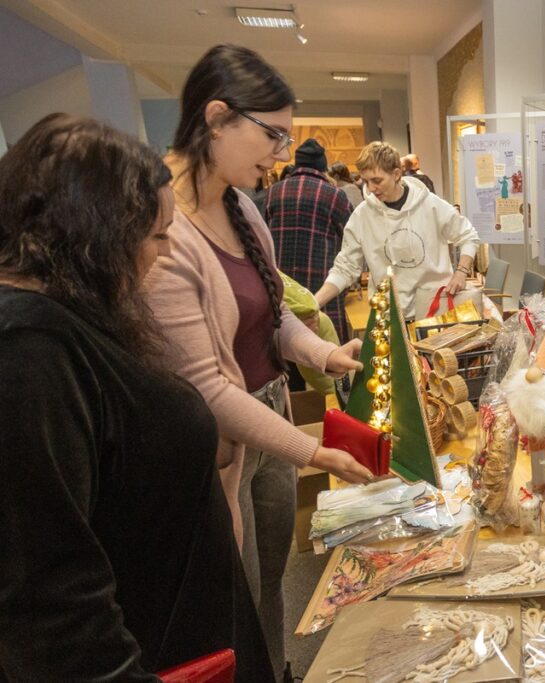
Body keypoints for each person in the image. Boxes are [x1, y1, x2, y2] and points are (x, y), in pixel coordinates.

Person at [0, 114, 273, 681]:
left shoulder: (66, 325)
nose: (166, 250)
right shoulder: (27, 350)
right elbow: (51, 602)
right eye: (154, 235)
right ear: (94, 239)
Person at [145, 44, 373, 683]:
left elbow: (275, 315)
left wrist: (328, 354)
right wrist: (314, 452)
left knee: (272, 580)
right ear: (217, 118)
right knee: (232, 598)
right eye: (272, 134)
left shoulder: (245, 207)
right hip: (222, 446)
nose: (280, 152)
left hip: (269, 415)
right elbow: (208, 388)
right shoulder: (165, 227)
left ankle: (275, 671)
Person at [314, 141, 481, 320]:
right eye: (366, 181)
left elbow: (468, 236)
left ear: (396, 174)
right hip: (389, 317)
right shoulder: (362, 215)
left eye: (377, 180)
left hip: (434, 312)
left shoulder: (430, 204)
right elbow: (345, 267)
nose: (370, 188)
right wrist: (315, 303)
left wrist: (461, 272)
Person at [265, 138, 353, 341]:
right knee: (328, 360)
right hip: (323, 291)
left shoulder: (273, 193)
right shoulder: (334, 195)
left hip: (283, 291)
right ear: (323, 166)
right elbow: (350, 240)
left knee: (287, 352)